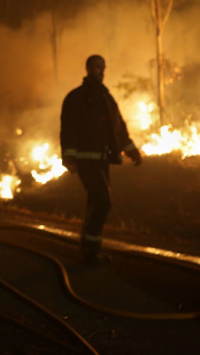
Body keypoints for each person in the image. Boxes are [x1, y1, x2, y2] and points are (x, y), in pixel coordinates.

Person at [60, 54, 141, 265]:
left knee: (96, 202)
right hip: (87, 162)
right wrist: (69, 157)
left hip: (103, 161)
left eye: (103, 68)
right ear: (88, 69)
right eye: (97, 67)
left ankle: (89, 248)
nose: (101, 71)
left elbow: (118, 128)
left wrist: (131, 151)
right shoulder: (76, 98)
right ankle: (91, 250)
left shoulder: (106, 98)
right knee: (103, 202)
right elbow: (68, 129)